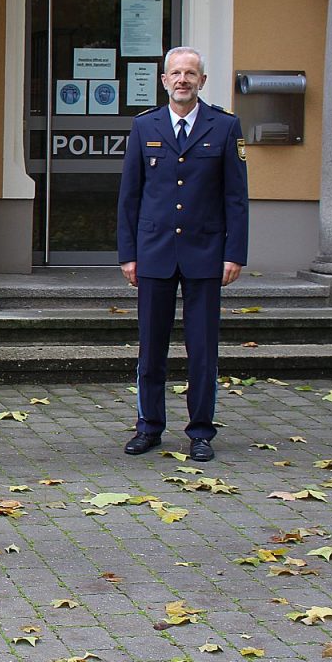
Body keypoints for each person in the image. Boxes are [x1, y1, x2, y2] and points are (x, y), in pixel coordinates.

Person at [117, 46, 248, 462]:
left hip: (206, 253)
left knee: (202, 349)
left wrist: (234, 253)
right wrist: (128, 254)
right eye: (175, 73)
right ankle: (148, 427)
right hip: (154, 251)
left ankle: (201, 432)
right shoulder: (144, 126)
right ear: (164, 80)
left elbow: (236, 198)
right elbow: (130, 197)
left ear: (202, 82)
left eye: (190, 73)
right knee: (150, 348)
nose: (182, 80)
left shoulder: (225, 127)